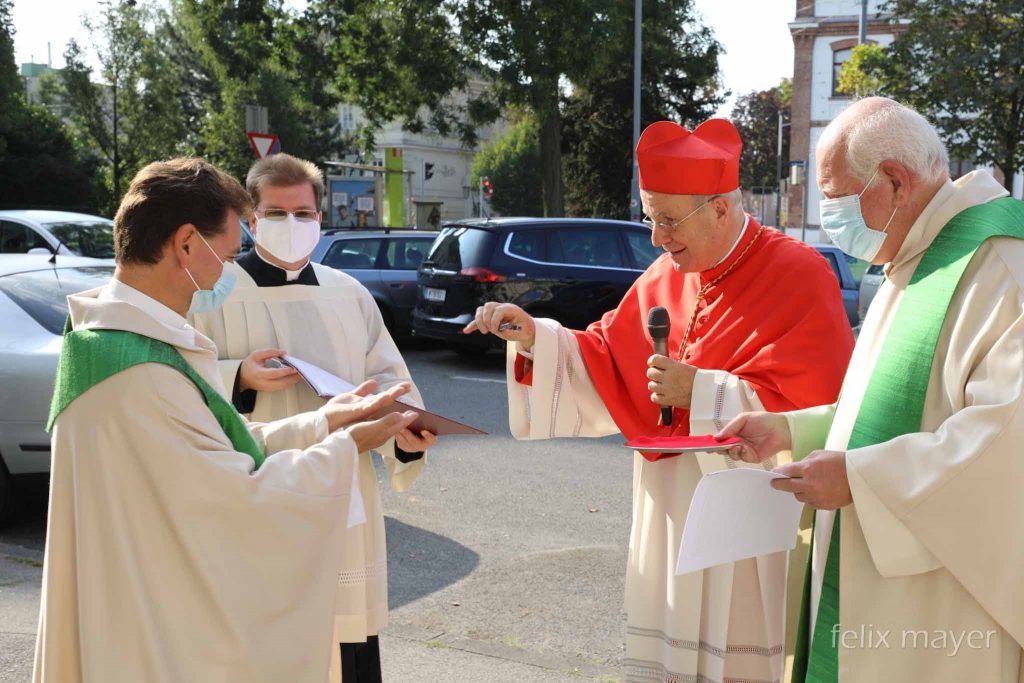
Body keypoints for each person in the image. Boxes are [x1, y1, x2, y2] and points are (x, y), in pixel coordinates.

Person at [466, 118, 855, 683]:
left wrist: (698, 390)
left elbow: (816, 411)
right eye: (649, 217)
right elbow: (603, 353)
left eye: (669, 220)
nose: (656, 237)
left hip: (749, 521)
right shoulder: (663, 275)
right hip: (669, 506)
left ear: (721, 208)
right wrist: (534, 335)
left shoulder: (800, 274)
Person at [34, 157, 419, 683]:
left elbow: (209, 443)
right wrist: (341, 449)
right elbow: (234, 497)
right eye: (227, 252)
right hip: (155, 634)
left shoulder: (115, 345)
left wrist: (322, 423)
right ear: (187, 244)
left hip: (138, 605)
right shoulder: (137, 367)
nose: (225, 271)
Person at [719, 97, 1024, 682]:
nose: (829, 214)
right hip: (879, 582)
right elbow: (886, 405)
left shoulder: (1000, 268)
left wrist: (859, 479)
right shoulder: (915, 253)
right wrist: (793, 428)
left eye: (836, 198)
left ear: (894, 181)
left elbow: (1004, 447)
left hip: (940, 610)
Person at [190, 152, 436, 683]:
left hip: (342, 487)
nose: (291, 225)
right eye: (276, 214)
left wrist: (406, 438)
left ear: (320, 219)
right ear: (251, 222)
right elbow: (178, 381)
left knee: (345, 639)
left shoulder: (350, 295)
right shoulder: (212, 293)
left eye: (303, 214)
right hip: (259, 487)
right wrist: (238, 376)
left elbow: (391, 382)